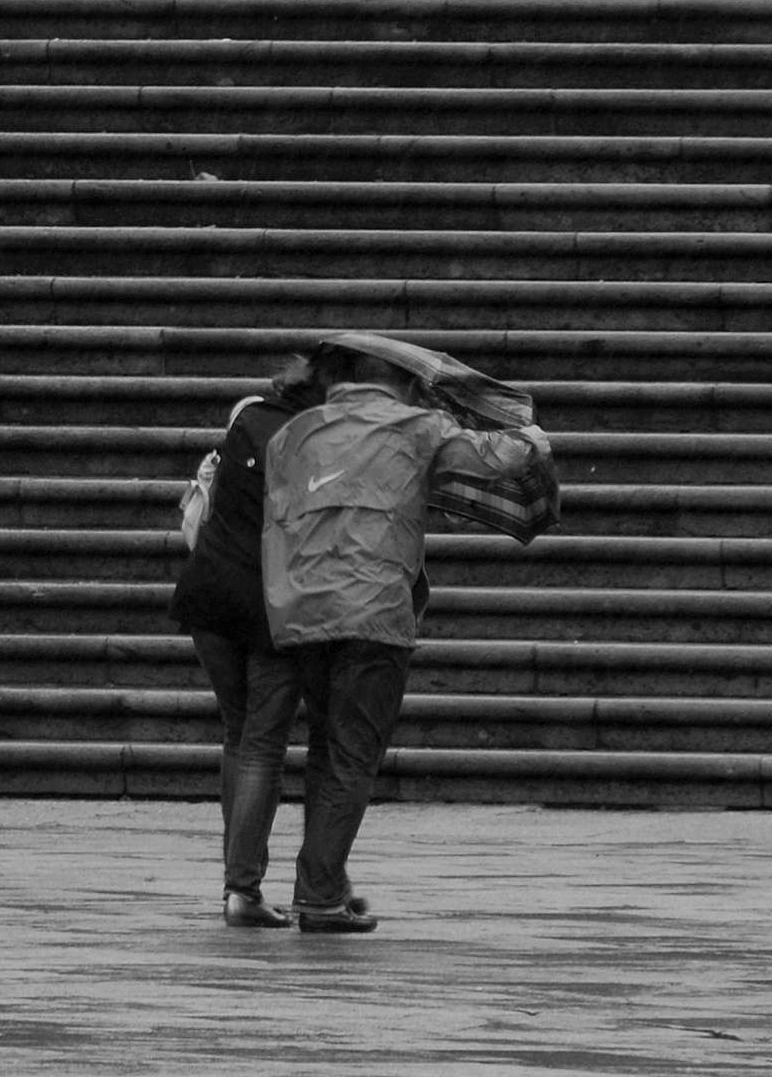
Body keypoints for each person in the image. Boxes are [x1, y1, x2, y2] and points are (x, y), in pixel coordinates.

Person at [223, 334, 552, 934]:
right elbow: (502, 456)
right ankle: (320, 896)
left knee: (326, 747)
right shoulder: (415, 426)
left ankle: (321, 885)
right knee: (352, 757)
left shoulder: (293, 434)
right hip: (372, 614)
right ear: (401, 381)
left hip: (299, 611)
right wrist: (527, 432)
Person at [167, 358, 328, 930]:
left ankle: (240, 883)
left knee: (239, 734)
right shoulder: (320, 442)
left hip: (210, 590)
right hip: (271, 602)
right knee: (262, 744)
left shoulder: (247, 415)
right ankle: (243, 889)